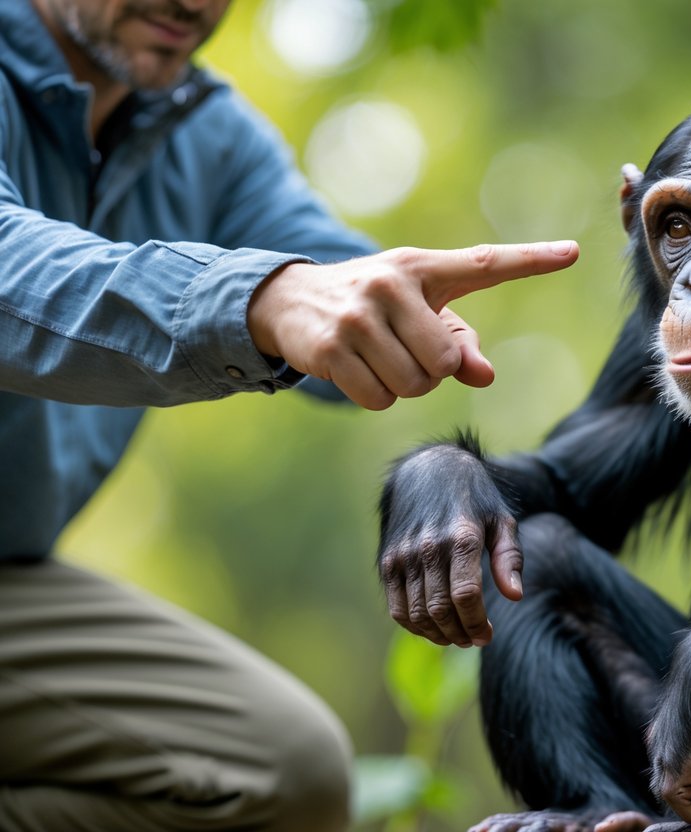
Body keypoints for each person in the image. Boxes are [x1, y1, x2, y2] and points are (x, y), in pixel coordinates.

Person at [0, 1, 580, 829]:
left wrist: (392, 322)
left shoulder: (205, 133)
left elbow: (335, 285)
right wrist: (262, 299)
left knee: (282, 771)